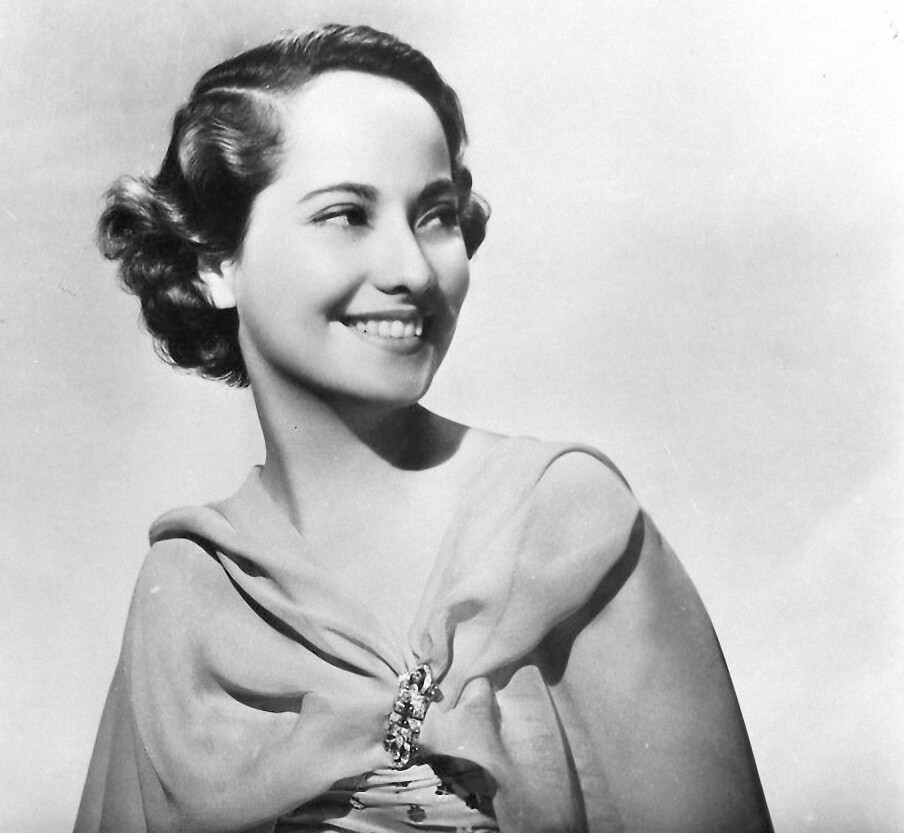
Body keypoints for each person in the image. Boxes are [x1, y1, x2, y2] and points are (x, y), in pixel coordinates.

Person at [74, 23, 773, 833]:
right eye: (346, 215)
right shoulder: (187, 588)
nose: (411, 270)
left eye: (436, 216)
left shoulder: (569, 529)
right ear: (213, 263)